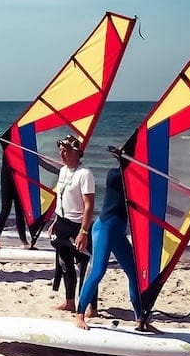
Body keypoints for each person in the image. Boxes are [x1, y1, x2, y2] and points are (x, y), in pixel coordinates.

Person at [75, 165, 144, 329]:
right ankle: (79, 315)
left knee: (134, 274)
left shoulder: (137, 178)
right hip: (104, 229)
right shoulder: (114, 175)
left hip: (118, 233)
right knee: (98, 271)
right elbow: (130, 182)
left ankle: (141, 319)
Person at [47, 134, 95, 313]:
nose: (62, 154)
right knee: (65, 265)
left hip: (77, 226)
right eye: (60, 150)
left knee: (85, 267)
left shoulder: (85, 174)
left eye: (65, 151)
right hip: (62, 223)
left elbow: (89, 205)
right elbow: (60, 199)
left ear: (76, 152)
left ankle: (92, 306)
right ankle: (69, 302)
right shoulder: (63, 171)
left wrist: (84, 231)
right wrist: (55, 220)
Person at [0, 159, 29, 249]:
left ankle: (24, 241)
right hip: (7, 177)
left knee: (20, 212)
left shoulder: (23, 147)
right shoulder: (7, 147)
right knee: (5, 211)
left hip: (20, 177)